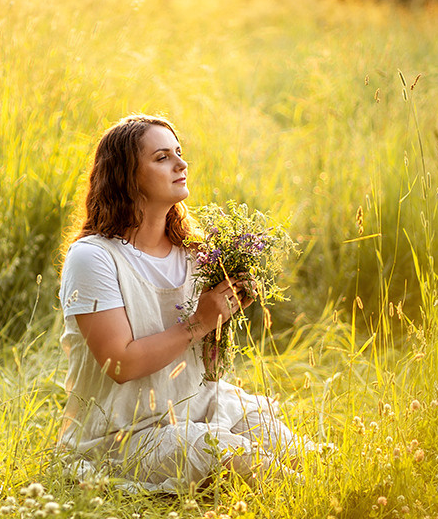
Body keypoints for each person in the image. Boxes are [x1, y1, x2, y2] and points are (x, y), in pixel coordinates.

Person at [57, 114, 309, 491]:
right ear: (126, 176)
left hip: (199, 405)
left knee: (286, 442)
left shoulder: (194, 251)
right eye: (162, 157)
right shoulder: (93, 258)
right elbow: (119, 364)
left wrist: (225, 314)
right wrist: (200, 322)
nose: (181, 163)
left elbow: (203, 366)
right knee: (233, 456)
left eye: (179, 152)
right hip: (123, 433)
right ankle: (326, 509)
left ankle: (354, 492)